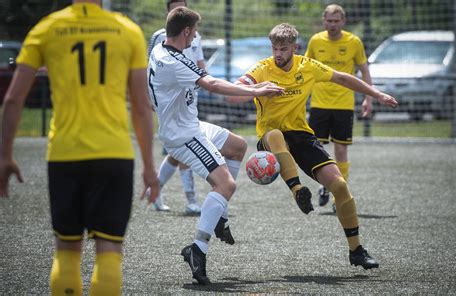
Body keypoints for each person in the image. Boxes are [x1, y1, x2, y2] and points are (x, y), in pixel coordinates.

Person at [0, 1, 160, 295]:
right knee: (110, 249)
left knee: (67, 249)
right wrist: (150, 167)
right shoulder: (127, 30)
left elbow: (12, 99)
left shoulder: (47, 28)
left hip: (65, 154)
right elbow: (141, 105)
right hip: (114, 154)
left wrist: (4, 155)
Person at [226, 23, 398, 270]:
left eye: (283, 49)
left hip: (301, 135)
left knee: (339, 186)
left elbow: (343, 78)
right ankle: (298, 190)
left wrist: (376, 94)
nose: (278, 54)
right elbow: (233, 95)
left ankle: (356, 250)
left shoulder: (307, 66)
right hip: (270, 139)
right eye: (274, 48)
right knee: (275, 134)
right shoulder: (262, 69)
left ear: (295, 48)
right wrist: (259, 88)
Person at [148, 7, 284, 284]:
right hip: (183, 134)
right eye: (194, 32)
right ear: (186, 31)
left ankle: (219, 216)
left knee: (236, 146)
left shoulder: (159, 49)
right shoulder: (175, 61)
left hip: (190, 125)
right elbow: (211, 84)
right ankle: (197, 249)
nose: (196, 36)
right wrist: (256, 90)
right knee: (226, 185)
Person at [305, 4, 373, 210]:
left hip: (344, 104)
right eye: (329, 21)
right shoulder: (316, 41)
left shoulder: (353, 42)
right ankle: (326, 185)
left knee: (341, 149)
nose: (333, 25)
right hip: (319, 103)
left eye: (337, 21)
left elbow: (364, 70)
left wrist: (368, 98)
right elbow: (305, 70)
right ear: (324, 21)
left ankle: (339, 195)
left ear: (343, 22)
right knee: (316, 149)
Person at [147, 0, 205, 214]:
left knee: (177, 153)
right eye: (175, 8)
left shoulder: (195, 35)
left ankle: (156, 190)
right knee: (183, 148)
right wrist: (150, 99)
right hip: (170, 102)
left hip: (190, 98)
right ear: (168, 13)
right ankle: (191, 200)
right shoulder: (159, 37)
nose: (179, 12)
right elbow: (149, 68)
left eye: (183, 7)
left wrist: (205, 83)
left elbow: (200, 65)